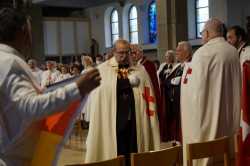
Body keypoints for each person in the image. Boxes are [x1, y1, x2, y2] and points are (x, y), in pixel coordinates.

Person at [0, 8, 101, 165]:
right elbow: (30, 107)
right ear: (23, 32)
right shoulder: (10, 62)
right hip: (16, 159)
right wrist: (76, 88)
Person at [84, 39, 160, 165]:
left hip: (135, 120)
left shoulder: (139, 69)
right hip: (114, 120)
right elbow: (102, 91)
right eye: (120, 53)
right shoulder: (103, 69)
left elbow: (148, 93)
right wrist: (126, 83)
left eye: (126, 52)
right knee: (118, 152)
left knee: (133, 151)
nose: (124, 56)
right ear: (113, 51)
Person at [181, 18, 241, 166]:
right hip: (229, 118)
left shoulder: (202, 53)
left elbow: (194, 92)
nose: (202, 36)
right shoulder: (233, 51)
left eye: (202, 33)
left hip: (208, 117)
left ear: (207, 33)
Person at [159, 42, 192, 143]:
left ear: (186, 53)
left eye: (179, 51)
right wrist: (172, 82)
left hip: (184, 102)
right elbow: (167, 81)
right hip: (174, 103)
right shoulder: (178, 67)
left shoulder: (191, 65)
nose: (176, 53)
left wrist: (180, 81)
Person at [130, 44, 162, 139]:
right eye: (131, 53)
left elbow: (153, 85)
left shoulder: (148, 65)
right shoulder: (130, 65)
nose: (133, 55)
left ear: (141, 52)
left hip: (145, 97)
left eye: (134, 53)